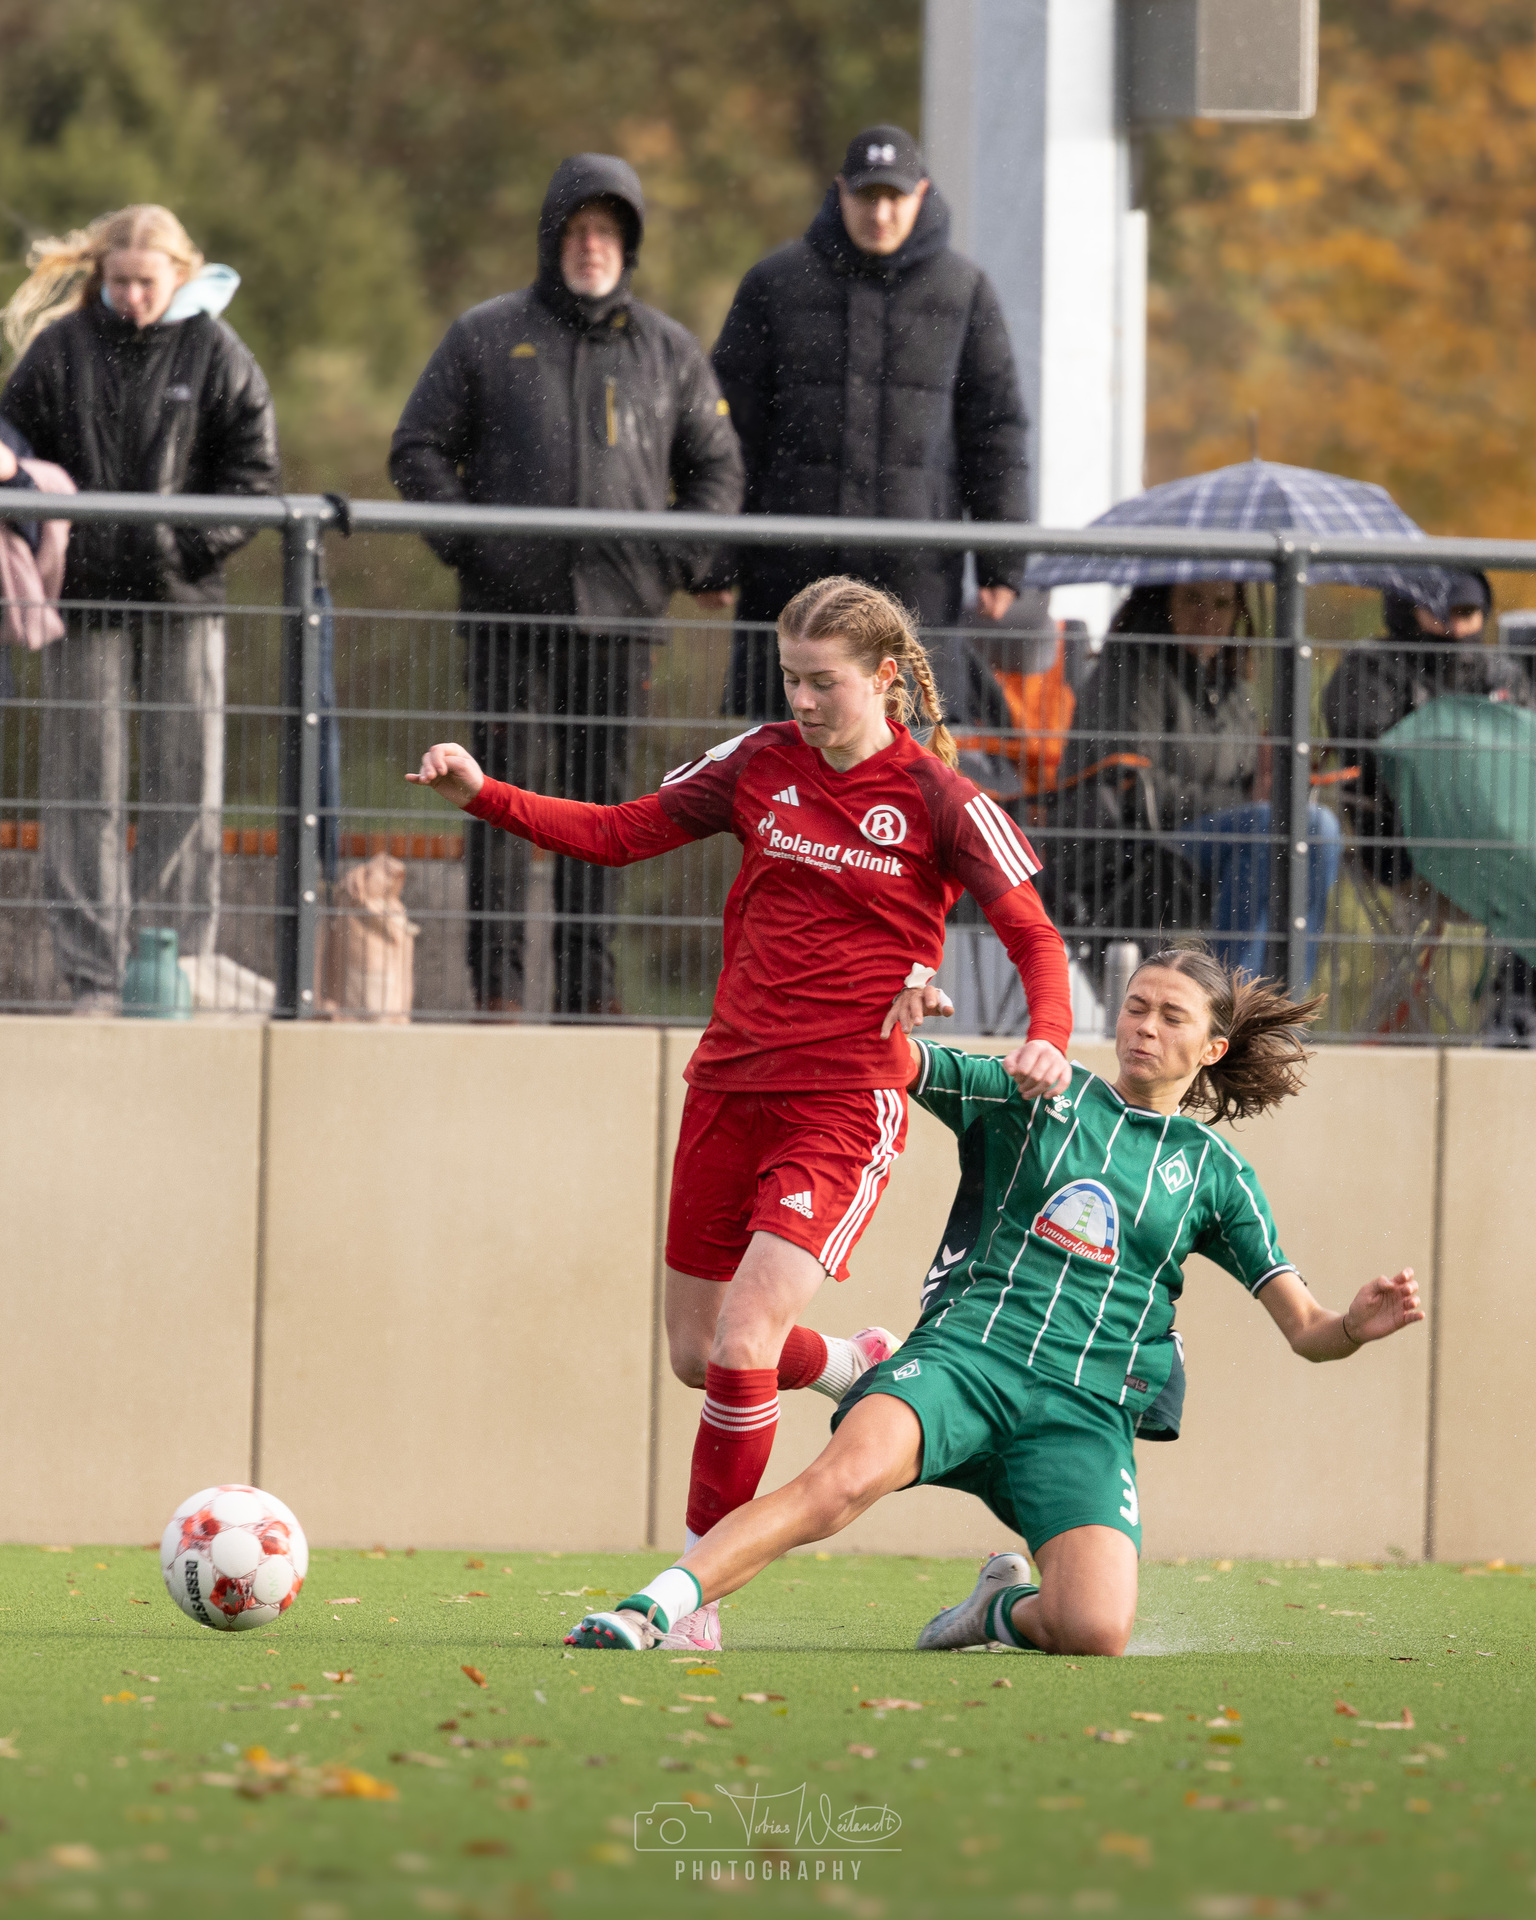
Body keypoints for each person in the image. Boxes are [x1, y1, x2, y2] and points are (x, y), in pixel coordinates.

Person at [407, 575, 1073, 1651]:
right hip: (726, 1087)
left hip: (844, 1100)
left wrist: (1048, 1032)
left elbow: (1034, 932)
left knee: (745, 1338)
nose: (802, 701)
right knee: (698, 1352)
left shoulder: (944, 799)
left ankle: (692, 1599)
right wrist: (486, 794)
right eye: (790, 678)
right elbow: (619, 832)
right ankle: (849, 1361)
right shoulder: (759, 761)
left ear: (885, 678)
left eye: (824, 682)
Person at [563, 942, 1423, 1656]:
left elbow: (1307, 1330)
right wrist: (898, 1011)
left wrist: (1352, 1325)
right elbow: (897, 1065)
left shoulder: (1216, 1174)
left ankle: (993, 1611)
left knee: (1094, 1630)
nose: (1144, 1026)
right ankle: (654, 1610)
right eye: (1135, 1007)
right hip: (964, 1362)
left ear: (1212, 1050)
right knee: (836, 1486)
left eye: (1171, 1017)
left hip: (1083, 1414)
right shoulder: (1042, 1089)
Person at [390, 154, 745, 1017]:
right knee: (496, 799)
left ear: (629, 245)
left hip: (623, 623)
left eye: (608, 232)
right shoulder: (485, 334)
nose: (592, 246)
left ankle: (589, 995)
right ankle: (498, 991)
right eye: (579, 230)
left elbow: (718, 470)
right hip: (507, 617)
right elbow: (417, 450)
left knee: (608, 813)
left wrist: (674, 564)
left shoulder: (669, 351)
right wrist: (475, 546)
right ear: (553, 240)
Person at [0, 205, 279, 1013]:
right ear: (101, 275)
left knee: (184, 784)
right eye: (118, 282)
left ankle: (171, 966)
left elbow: (255, 477)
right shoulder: (61, 347)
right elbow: (14, 432)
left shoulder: (217, 352)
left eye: (146, 283)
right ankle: (93, 977)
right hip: (83, 599)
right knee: (82, 790)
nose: (131, 297)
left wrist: (182, 546)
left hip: (183, 600)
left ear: (179, 275)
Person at [712, 124, 1029, 718]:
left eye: (894, 197)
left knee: (904, 753)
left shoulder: (965, 292)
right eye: (866, 196)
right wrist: (715, 557)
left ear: (921, 193)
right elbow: (728, 436)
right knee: (785, 751)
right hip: (790, 577)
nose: (879, 213)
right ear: (840, 192)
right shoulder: (773, 285)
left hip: (914, 582)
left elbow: (997, 433)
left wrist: (1002, 559)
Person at [1052, 582, 1342, 980]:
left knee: (1319, 828)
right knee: (1270, 828)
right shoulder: (1131, 669)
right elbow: (1133, 787)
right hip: (1134, 846)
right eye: (1193, 598)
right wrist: (1246, 804)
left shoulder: (1234, 691)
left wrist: (1272, 784)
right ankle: (1230, 999)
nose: (1208, 615)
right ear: (1162, 602)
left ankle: (1278, 1002)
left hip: (1213, 841)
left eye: (1222, 603)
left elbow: (1247, 783)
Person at [1323, 572, 1525, 886]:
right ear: (1408, 610)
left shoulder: (1501, 674)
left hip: (1504, 834)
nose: (1455, 626)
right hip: (1403, 836)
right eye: (1439, 612)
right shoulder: (1370, 667)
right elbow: (1371, 754)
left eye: (1465, 612)